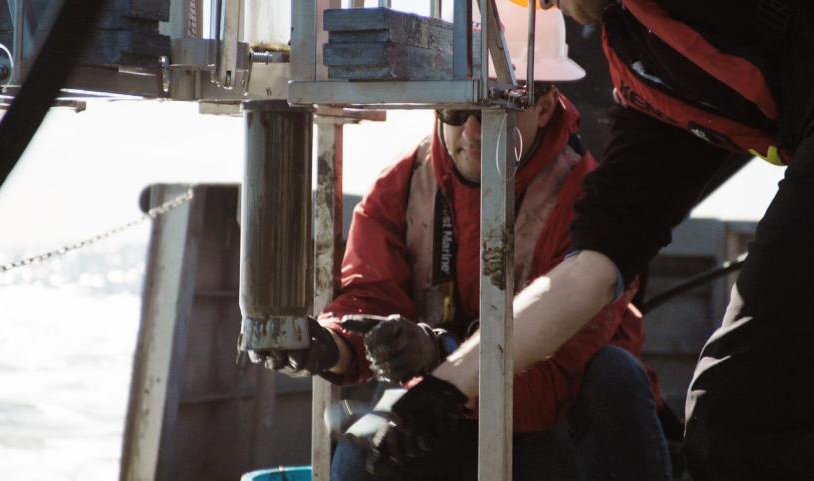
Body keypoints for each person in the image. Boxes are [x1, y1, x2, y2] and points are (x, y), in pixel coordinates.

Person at [363, 0, 814, 479]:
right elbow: (594, 267)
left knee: (743, 412)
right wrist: (449, 384)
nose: (545, 4)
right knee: (735, 412)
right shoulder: (652, 75)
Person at [246, 4, 671, 480]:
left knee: (614, 376)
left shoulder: (594, 207)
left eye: (500, 105)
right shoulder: (402, 187)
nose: (472, 130)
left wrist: (441, 356)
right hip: (443, 413)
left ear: (547, 105)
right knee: (360, 457)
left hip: (557, 440)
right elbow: (369, 297)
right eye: (457, 107)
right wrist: (333, 346)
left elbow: (555, 385)